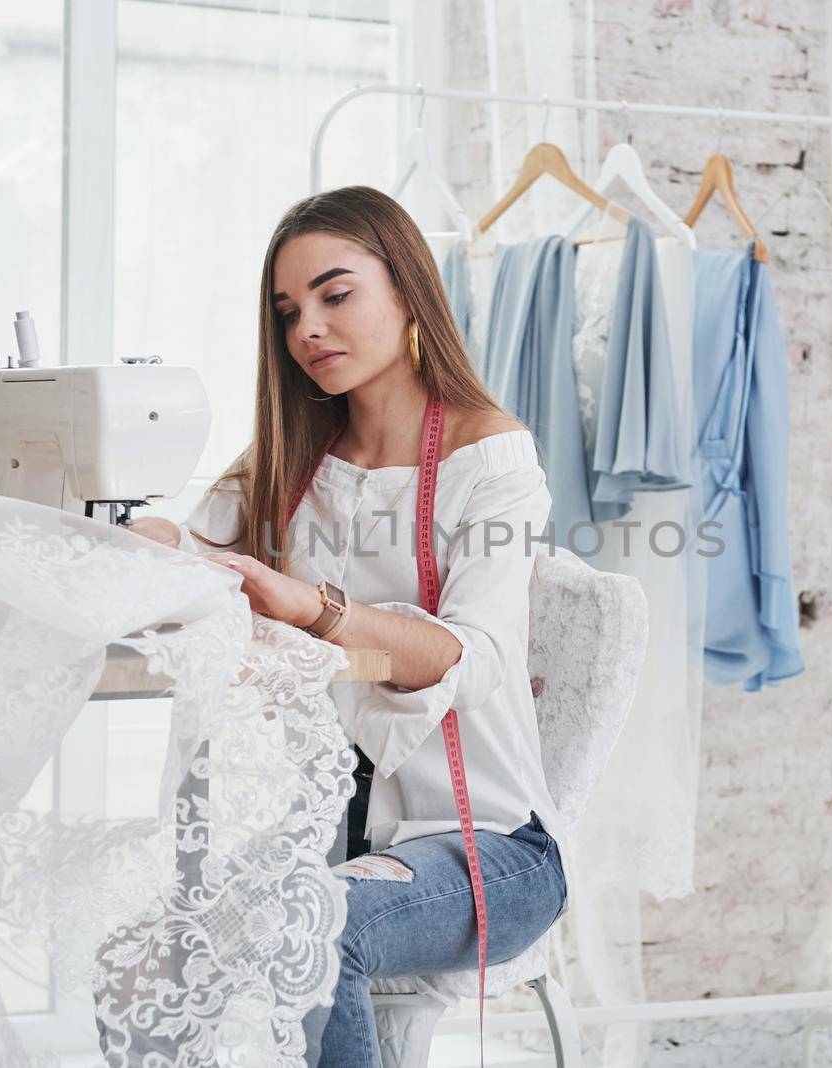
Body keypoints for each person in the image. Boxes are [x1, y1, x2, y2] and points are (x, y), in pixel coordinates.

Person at [130, 186, 568, 1066]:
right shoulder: (291, 460)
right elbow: (196, 553)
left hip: (491, 846)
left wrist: (314, 608)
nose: (308, 331)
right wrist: (111, 524)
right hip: (338, 836)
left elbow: (472, 658)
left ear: (407, 290)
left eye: (336, 295)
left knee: (314, 928)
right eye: (290, 312)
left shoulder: (492, 454)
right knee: (142, 955)